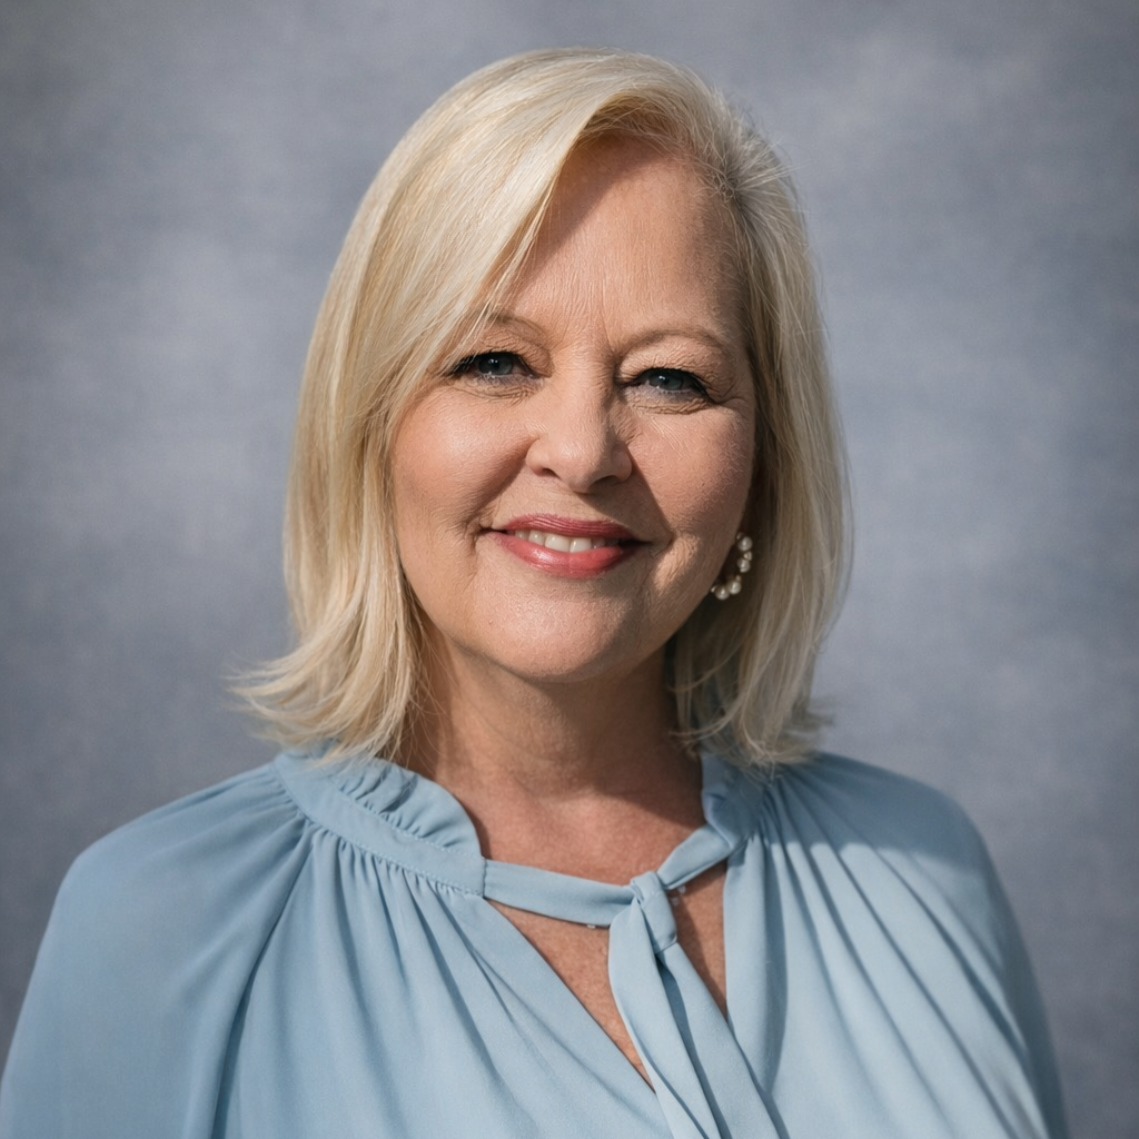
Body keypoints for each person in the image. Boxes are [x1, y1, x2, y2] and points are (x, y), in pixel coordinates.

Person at [0, 47, 1067, 1139]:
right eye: (494, 361)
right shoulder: (158, 927)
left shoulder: (923, 869)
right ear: (369, 425)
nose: (581, 448)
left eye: (668, 377)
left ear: (761, 463)